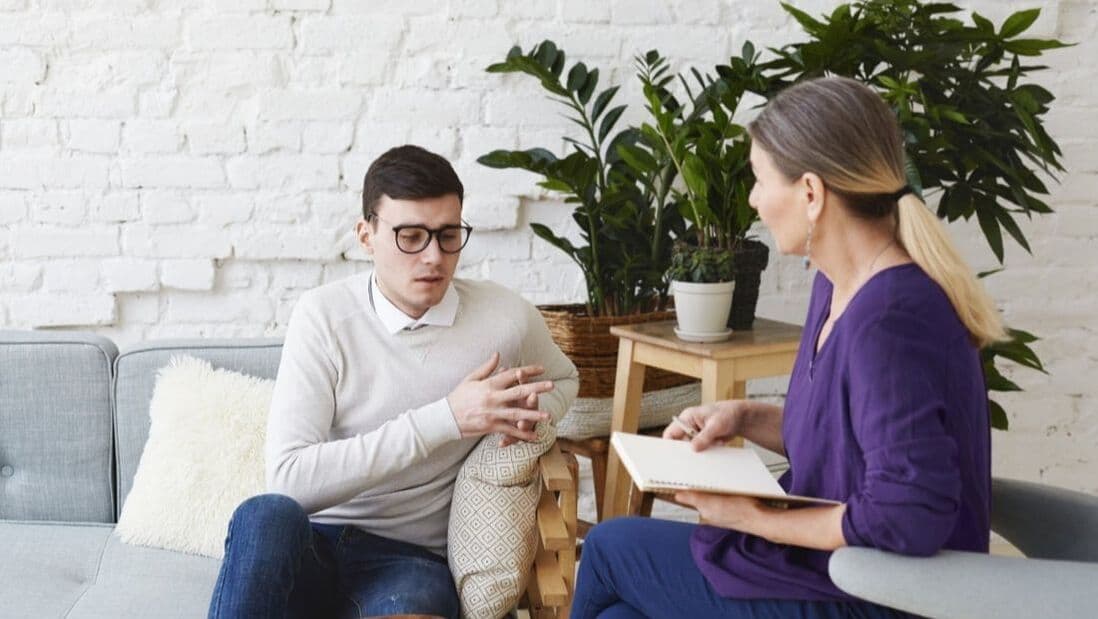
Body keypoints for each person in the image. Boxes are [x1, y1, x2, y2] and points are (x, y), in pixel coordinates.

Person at [572, 76, 1007, 619]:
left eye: (759, 180)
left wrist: (746, 516)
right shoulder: (837, 285)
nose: (753, 200)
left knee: (611, 550)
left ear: (810, 193)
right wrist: (744, 416)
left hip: (882, 594)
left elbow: (908, 516)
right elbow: (854, 439)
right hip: (836, 570)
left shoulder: (891, 318)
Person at [207, 144, 579, 619]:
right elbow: (290, 480)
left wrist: (526, 418)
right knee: (264, 515)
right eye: (410, 236)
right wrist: (447, 418)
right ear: (367, 235)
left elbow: (566, 379)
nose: (433, 257)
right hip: (312, 545)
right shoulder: (323, 317)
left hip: (409, 560)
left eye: (448, 236)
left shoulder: (504, 318)